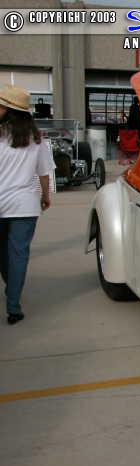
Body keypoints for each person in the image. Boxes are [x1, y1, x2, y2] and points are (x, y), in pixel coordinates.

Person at [0, 85, 54, 325]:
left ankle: (11, 290)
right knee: (18, 254)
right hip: (25, 205)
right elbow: (44, 173)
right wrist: (45, 196)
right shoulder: (37, 139)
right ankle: (14, 305)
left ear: (9, 111)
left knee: (4, 254)